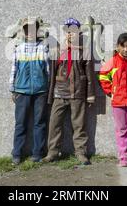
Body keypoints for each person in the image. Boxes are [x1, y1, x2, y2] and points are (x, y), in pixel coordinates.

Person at [43, 18, 95, 165]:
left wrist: (90, 95)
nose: (70, 34)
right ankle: (52, 152)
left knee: (79, 125)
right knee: (54, 124)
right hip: (59, 93)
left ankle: (81, 153)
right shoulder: (58, 50)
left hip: (78, 93)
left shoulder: (84, 51)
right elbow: (52, 74)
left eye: (73, 31)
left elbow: (90, 75)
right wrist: (50, 94)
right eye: (68, 31)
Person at [9, 18, 50, 165]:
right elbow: (14, 69)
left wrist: (48, 89)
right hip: (22, 91)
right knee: (21, 123)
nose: (30, 33)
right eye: (27, 30)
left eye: (33, 29)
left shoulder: (43, 48)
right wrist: (12, 89)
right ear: (24, 32)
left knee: (40, 123)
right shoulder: (18, 49)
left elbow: (48, 70)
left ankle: (37, 153)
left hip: (40, 91)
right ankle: (17, 154)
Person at [99, 33, 127, 167]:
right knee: (121, 130)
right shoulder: (113, 61)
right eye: (123, 46)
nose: (126, 49)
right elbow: (103, 76)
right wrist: (111, 91)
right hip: (118, 102)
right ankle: (123, 155)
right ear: (117, 47)